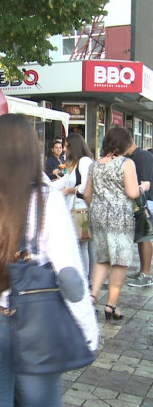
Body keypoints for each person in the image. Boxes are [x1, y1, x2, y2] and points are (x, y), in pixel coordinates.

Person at [0, 114, 98, 407]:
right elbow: (70, 277)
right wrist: (88, 331)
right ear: (31, 149)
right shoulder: (46, 201)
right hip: (37, 320)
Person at [84, 127, 146, 319]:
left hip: (98, 217)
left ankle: (92, 298)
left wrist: (99, 207)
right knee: (120, 261)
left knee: (102, 259)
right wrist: (144, 186)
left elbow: (87, 194)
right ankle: (111, 305)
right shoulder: (126, 163)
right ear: (124, 144)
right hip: (120, 219)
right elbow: (132, 193)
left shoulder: (94, 165)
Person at [51, 133, 94, 279]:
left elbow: (86, 186)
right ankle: (82, 276)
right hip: (73, 208)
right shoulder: (73, 163)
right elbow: (64, 181)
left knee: (81, 244)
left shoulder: (84, 161)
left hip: (82, 209)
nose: (64, 149)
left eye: (66, 146)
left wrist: (69, 190)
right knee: (77, 244)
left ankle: (85, 277)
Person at [126, 138, 153, 287]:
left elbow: (146, 181)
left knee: (145, 237)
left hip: (146, 200)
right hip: (142, 200)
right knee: (141, 237)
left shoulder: (142, 156)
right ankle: (142, 270)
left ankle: (146, 274)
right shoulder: (135, 157)